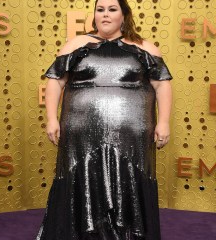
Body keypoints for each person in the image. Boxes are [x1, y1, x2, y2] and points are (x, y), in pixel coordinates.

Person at [36, 0, 172, 239]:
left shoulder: (145, 48)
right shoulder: (76, 44)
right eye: (100, 10)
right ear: (94, 15)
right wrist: (51, 118)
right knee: (82, 183)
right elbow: (55, 82)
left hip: (132, 133)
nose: (105, 15)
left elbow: (161, 85)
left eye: (112, 9)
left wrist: (164, 122)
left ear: (124, 15)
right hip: (81, 132)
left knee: (129, 184)